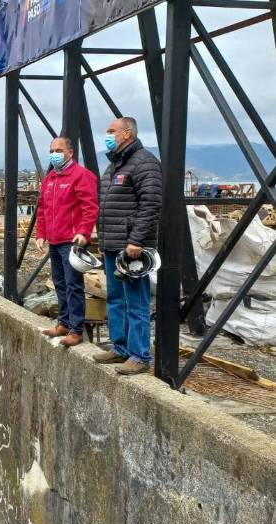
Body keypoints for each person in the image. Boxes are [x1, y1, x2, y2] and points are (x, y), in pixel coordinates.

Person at [93, 117, 162, 375]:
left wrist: (137, 241)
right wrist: (102, 240)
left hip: (131, 248)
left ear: (127, 133)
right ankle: (120, 348)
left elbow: (151, 204)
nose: (108, 135)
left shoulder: (145, 163)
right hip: (112, 245)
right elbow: (105, 206)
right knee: (115, 299)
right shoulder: (113, 166)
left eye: (111, 131)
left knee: (136, 301)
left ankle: (139, 355)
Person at [35, 136, 99, 347]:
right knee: (59, 283)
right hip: (54, 241)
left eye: (59, 150)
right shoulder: (50, 178)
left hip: (71, 242)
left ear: (70, 153)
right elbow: (43, 210)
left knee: (73, 285)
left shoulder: (81, 176)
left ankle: (76, 329)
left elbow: (90, 208)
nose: (54, 154)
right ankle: (63, 322)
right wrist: (40, 234)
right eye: (52, 150)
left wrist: (84, 232)